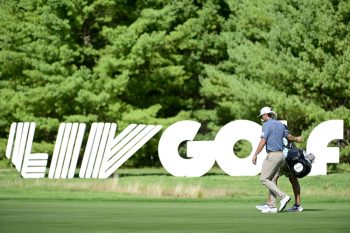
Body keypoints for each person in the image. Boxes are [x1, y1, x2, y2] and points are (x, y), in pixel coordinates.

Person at [252, 106, 302, 213]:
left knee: (264, 179)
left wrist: (255, 154)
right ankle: (272, 206)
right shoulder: (280, 124)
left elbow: (263, 141)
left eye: (262, 116)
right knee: (272, 179)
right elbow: (288, 137)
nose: (262, 118)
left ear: (266, 114)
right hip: (282, 156)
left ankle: (283, 196)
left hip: (273, 155)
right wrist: (296, 139)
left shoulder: (266, 125)